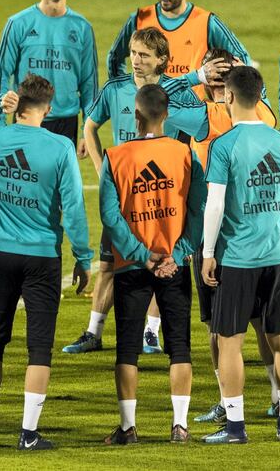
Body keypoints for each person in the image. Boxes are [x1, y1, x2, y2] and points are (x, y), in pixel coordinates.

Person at [63, 26, 225, 356]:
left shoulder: (176, 94)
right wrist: (101, 168)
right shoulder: (115, 89)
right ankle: (94, 332)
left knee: (163, 258)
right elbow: (90, 126)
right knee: (108, 264)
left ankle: (150, 333)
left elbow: (197, 134)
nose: (136, 61)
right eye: (133, 53)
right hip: (125, 193)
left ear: (162, 60)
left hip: (162, 194)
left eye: (144, 55)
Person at [157, 49, 280, 423]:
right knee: (264, 324)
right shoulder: (265, 114)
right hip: (262, 232)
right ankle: (278, 396)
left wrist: (196, 74)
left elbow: (155, 96)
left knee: (219, 327)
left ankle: (230, 405)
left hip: (216, 235)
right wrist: (241, 69)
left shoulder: (204, 117)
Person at [0, 75, 93, 450]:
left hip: (1, 253)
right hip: (42, 257)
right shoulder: (60, 147)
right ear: (50, 109)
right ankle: (28, 433)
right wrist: (84, 257)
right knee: (39, 347)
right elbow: (73, 208)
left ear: (19, 104)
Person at [100, 84, 206, 445]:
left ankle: (128, 428)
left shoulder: (115, 156)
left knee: (127, 347)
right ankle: (180, 425)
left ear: (136, 114)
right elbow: (198, 209)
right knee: (180, 345)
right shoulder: (185, 153)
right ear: (167, 115)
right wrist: (178, 253)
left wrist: (142, 255)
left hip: (133, 266)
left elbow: (110, 216)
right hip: (175, 265)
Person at [199, 66, 280, 443]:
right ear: (260, 96)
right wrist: (271, 223)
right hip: (276, 254)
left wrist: (209, 252)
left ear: (227, 96)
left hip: (238, 258)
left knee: (230, 342)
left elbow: (215, 205)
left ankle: (237, 427)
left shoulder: (224, 145)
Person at [0, 0, 97, 155]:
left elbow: (89, 84)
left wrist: (87, 131)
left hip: (66, 122)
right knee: (27, 183)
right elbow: (1, 73)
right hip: (26, 117)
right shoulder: (18, 23)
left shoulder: (82, 28)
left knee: (59, 184)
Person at [106, 0, 252, 97]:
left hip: (191, 113)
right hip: (149, 112)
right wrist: (124, 93)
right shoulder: (140, 18)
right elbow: (114, 57)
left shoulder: (206, 21)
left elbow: (241, 58)